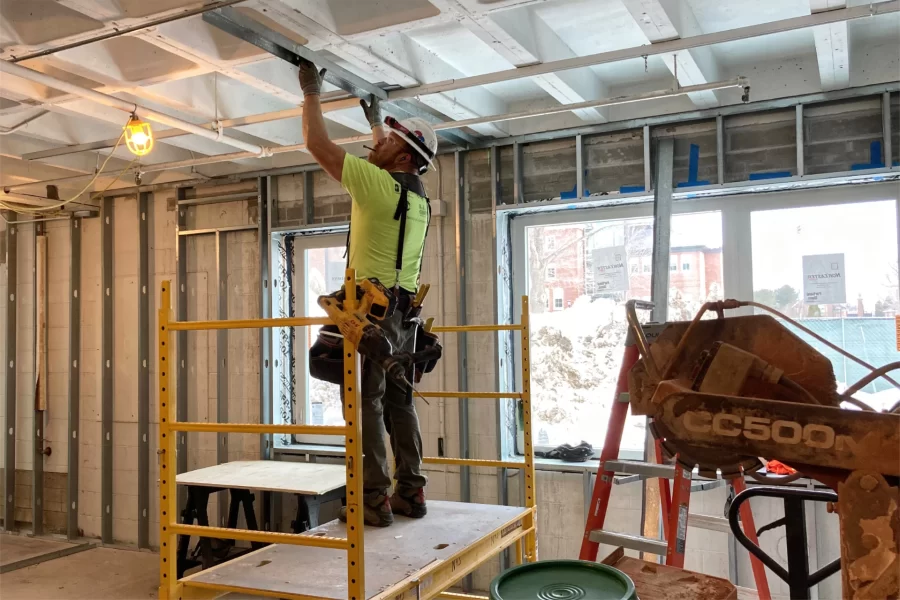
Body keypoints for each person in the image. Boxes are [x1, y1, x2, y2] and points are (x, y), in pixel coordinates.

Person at [299, 59, 436, 527]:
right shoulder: (419, 200)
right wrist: (378, 121)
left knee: (364, 404)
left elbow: (316, 144)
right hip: (403, 315)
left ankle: (373, 499)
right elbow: (385, 153)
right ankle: (411, 493)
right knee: (399, 402)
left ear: (401, 157)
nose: (375, 146)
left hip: (367, 311)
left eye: (386, 142)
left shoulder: (375, 185)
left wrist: (311, 92)